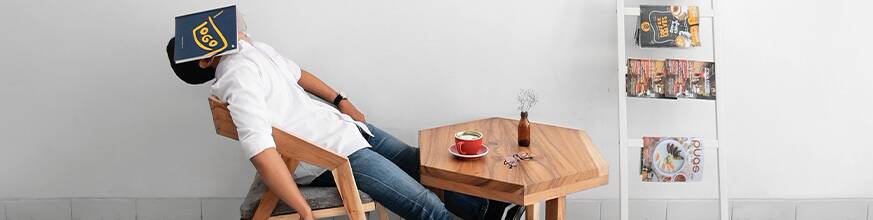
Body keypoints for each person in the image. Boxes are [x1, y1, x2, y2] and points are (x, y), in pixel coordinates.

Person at [165, 32, 524, 220]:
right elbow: (260, 151)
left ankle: (485, 210)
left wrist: (341, 101)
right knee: (422, 204)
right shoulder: (236, 79)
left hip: (338, 129)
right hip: (327, 155)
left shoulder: (250, 51)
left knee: (418, 160)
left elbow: (298, 74)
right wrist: (303, 210)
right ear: (205, 60)